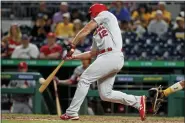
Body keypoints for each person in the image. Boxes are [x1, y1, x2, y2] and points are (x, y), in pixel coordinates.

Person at [60, 3, 146, 121]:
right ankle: (137, 101)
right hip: (106, 57)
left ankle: (72, 112)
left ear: (95, 12)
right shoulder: (97, 32)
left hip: (111, 55)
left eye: (91, 15)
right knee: (106, 94)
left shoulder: (106, 15)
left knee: (84, 79)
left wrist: (73, 44)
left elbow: (86, 29)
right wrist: (73, 57)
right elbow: (92, 53)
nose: (91, 17)